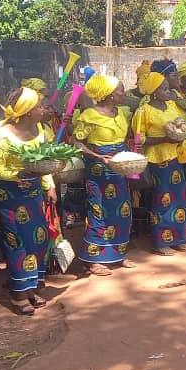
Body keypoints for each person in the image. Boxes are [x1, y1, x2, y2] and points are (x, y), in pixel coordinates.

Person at [0, 88, 57, 315]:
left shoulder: (39, 130)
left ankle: (31, 287)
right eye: (39, 106)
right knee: (17, 242)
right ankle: (18, 293)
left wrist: (49, 185)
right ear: (27, 112)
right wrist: (20, 174)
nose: (43, 109)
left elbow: (43, 160)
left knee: (38, 239)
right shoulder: (3, 135)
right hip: (9, 196)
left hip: (33, 194)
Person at [70, 74, 136, 273]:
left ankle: (118, 253)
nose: (124, 93)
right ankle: (94, 259)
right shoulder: (89, 116)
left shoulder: (120, 112)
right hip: (99, 170)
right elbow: (76, 142)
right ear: (109, 94)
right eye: (121, 90)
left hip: (120, 168)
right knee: (99, 211)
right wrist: (97, 156)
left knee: (122, 211)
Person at [132, 73, 186, 256]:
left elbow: (181, 123)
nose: (169, 91)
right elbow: (138, 139)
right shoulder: (143, 111)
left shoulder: (172, 105)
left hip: (175, 157)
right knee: (162, 200)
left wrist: (182, 132)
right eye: (164, 89)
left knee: (179, 199)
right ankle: (161, 241)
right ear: (154, 92)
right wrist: (164, 139)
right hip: (157, 160)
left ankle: (179, 238)